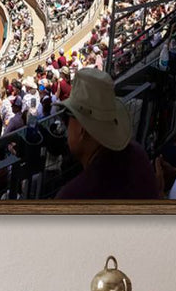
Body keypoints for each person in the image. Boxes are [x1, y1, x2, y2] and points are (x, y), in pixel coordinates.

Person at [56, 68, 160, 200]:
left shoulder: (72, 197)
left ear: (82, 129)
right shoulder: (138, 154)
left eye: (67, 118)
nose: (66, 126)